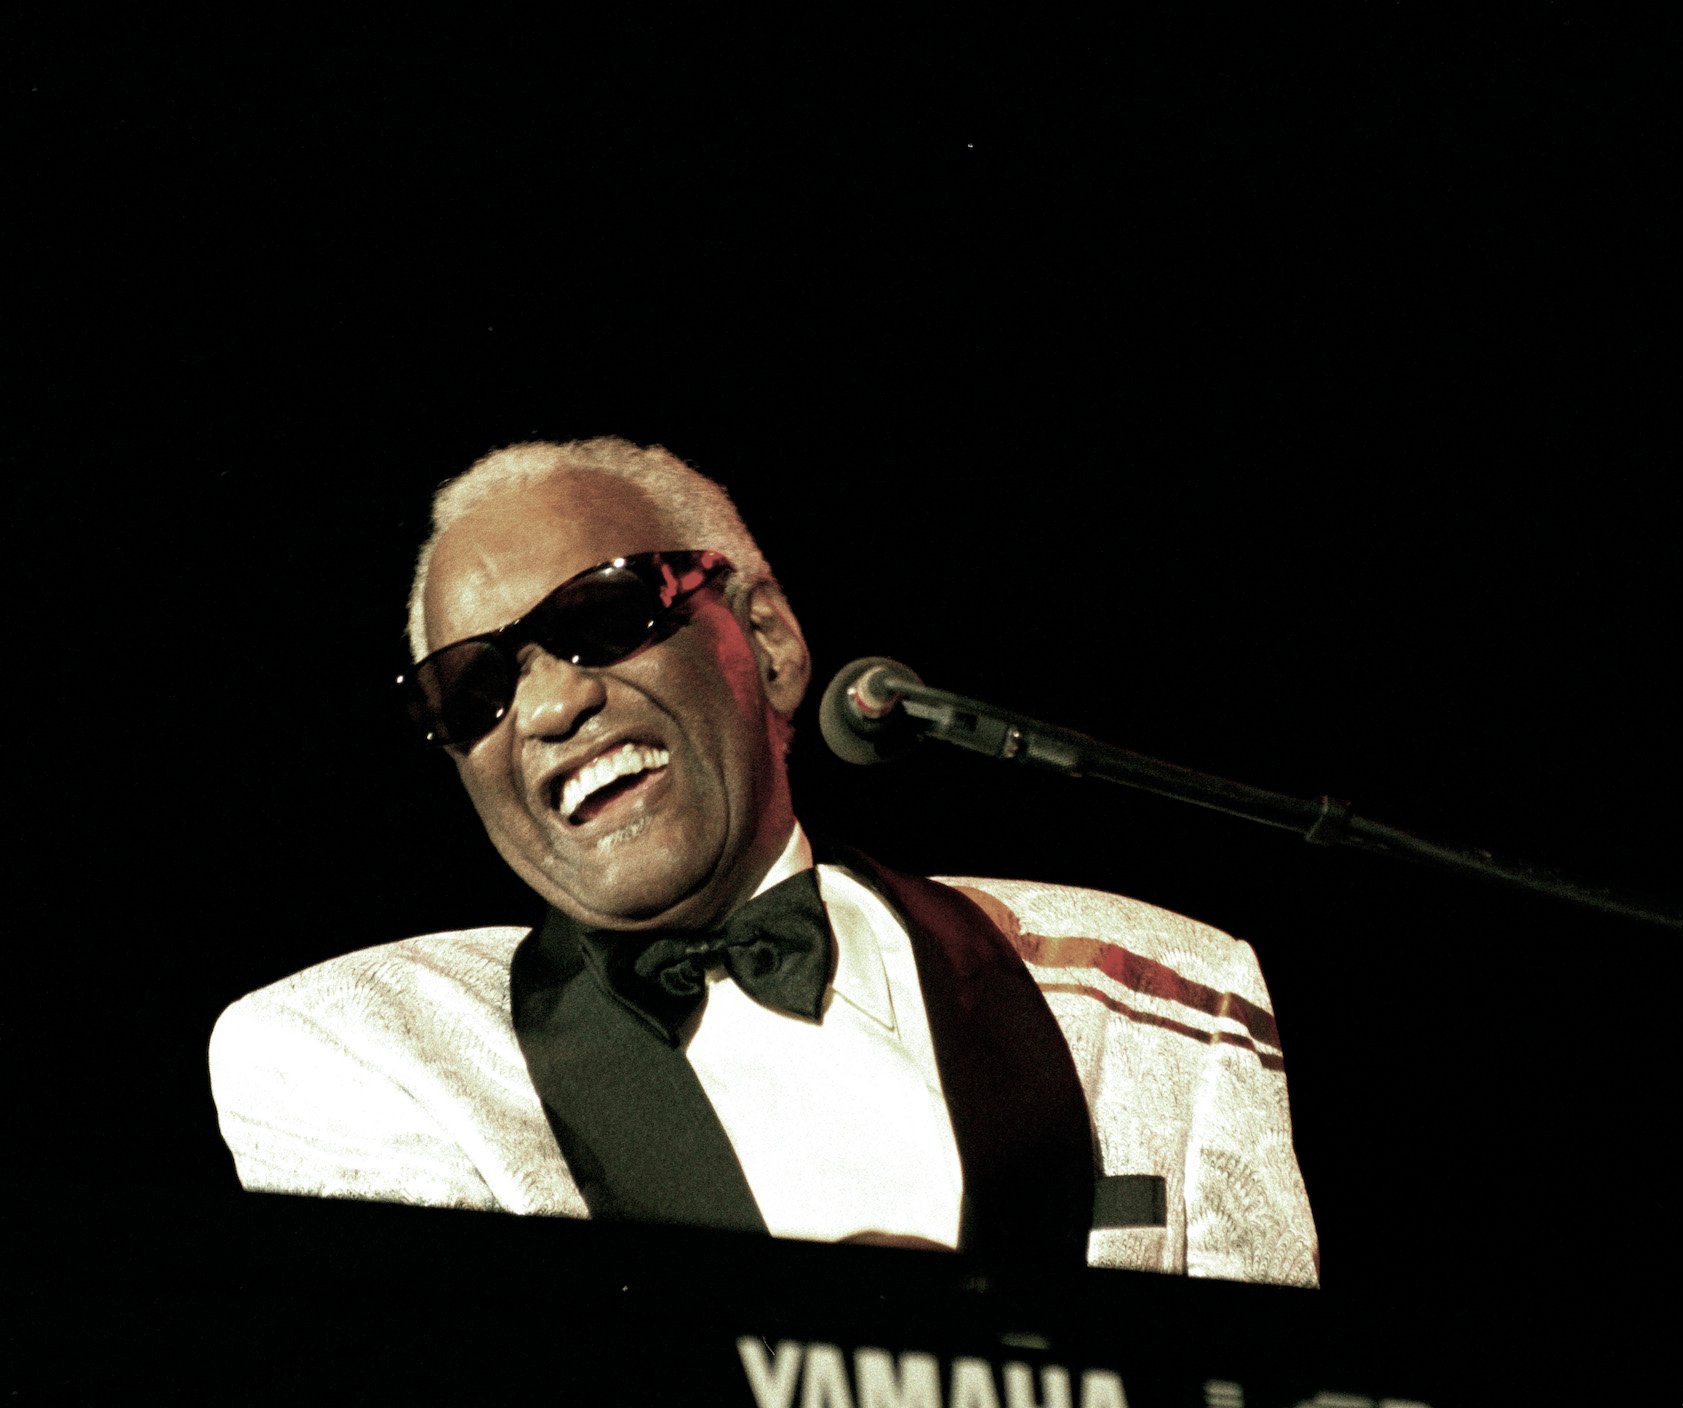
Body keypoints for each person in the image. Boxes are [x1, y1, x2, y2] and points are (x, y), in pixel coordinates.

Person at [210, 437, 1319, 1286]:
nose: (549, 703)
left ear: (771, 642)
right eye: (474, 689)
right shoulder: (361, 1046)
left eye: (601, 615)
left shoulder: (1158, 991)